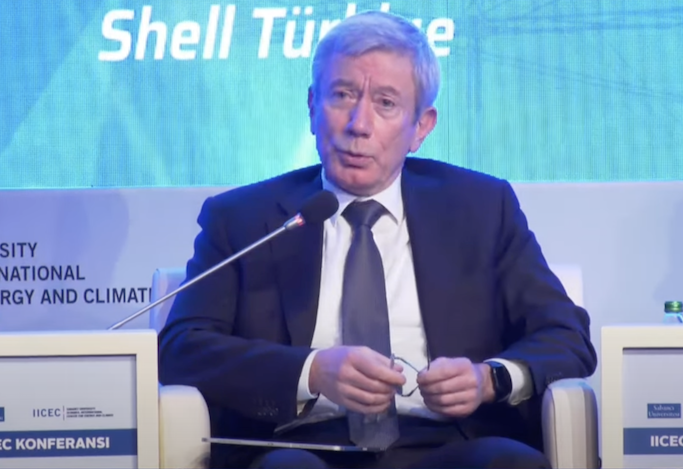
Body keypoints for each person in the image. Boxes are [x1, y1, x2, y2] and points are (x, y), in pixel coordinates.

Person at [158, 10, 596, 469]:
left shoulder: (481, 208)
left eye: (386, 103)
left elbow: (565, 335)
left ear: (421, 127)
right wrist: (311, 371)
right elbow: (181, 348)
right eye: (342, 95)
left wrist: (490, 380)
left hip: (447, 445)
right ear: (312, 106)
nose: (358, 124)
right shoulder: (243, 218)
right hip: (300, 446)